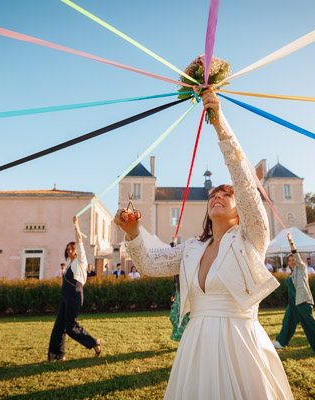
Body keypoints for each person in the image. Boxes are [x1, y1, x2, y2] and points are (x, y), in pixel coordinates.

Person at [116, 87, 293, 399]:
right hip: (196, 343)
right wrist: (133, 233)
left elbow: (246, 186)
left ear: (240, 209)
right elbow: (149, 265)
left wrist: (220, 124)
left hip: (240, 343)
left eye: (226, 195)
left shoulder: (251, 238)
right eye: (214, 195)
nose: (218, 197)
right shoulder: (193, 248)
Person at [48, 216, 101, 362]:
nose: (70, 250)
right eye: (68, 249)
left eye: (72, 248)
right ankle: (57, 355)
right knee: (59, 327)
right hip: (66, 297)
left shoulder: (81, 259)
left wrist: (76, 225)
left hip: (74, 296)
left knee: (71, 327)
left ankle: (94, 343)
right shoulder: (70, 265)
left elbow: (79, 240)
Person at [272, 234, 315, 354]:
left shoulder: (301, 268)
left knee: (310, 324)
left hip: (303, 301)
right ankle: (281, 342)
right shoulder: (292, 273)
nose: (292, 262)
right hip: (293, 302)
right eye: (289, 261)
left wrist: (291, 242)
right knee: (288, 321)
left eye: (293, 260)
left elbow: (296, 256)